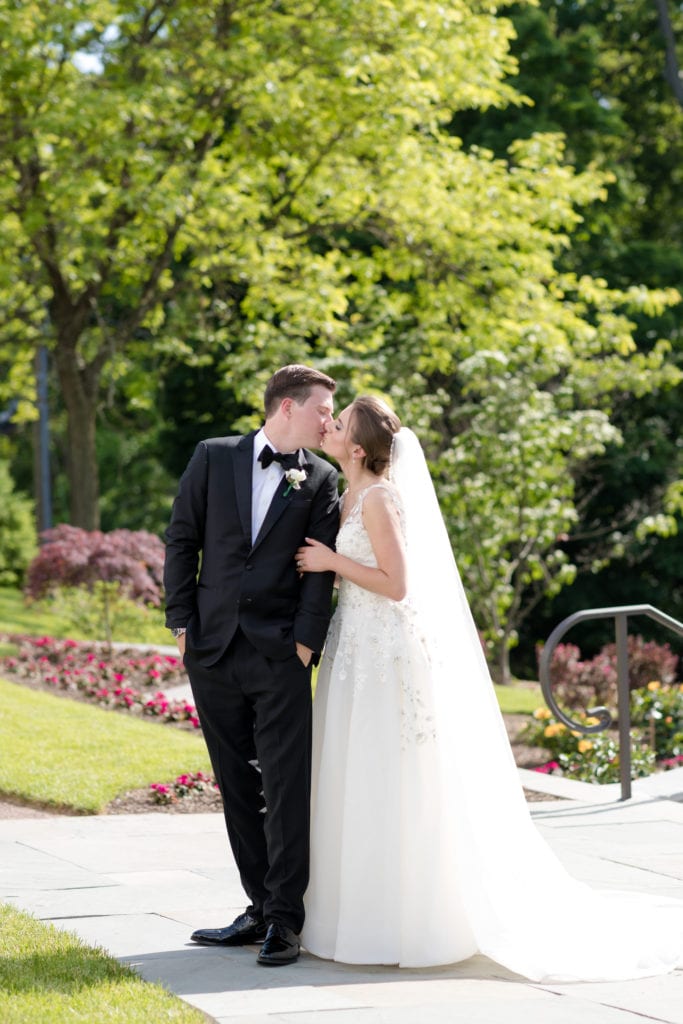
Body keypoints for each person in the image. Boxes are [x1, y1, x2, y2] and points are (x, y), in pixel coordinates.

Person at [296, 394, 683, 981]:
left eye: (340, 421)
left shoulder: (379, 498)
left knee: (394, 777)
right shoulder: (346, 493)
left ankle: (413, 919)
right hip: (354, 650)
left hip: (388, 654)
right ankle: (354, 915)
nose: (329, 426)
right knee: (357, 773)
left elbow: (397, 584)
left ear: (356, 447)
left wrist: (330, 562)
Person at [164, 364, 339, 967]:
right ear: (286, 407)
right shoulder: (213, 457)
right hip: (211, 649)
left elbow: (322, 568)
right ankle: (258, 906)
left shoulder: (322, 478)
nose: (329, 421)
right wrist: (180, 623)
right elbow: (181, 539)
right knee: (236, 782)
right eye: (321, 409)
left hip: (279, 653)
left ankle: (286, 920)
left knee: (287, 785)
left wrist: (305, 643)